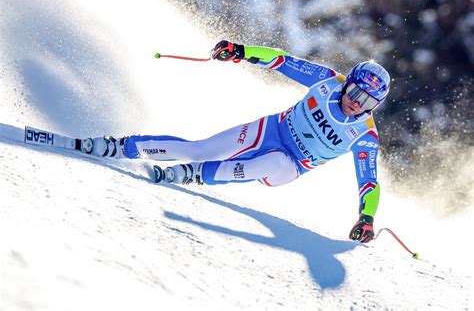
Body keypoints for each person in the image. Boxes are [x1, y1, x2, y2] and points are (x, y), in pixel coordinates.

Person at [86, 40, 391, 243]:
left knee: (269, 162)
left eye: (366, 101)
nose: (356, 103)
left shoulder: (365, 135)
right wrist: (241, 51)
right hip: (272, 129)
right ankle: (122, 146)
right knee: (200, 149)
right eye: (354, 93)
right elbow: (281, 61)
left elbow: (369, 183)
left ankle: (197, 175)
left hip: (291, 165)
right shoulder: (326, 80)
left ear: (374, 106)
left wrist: (366, 217)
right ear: (347, 83)